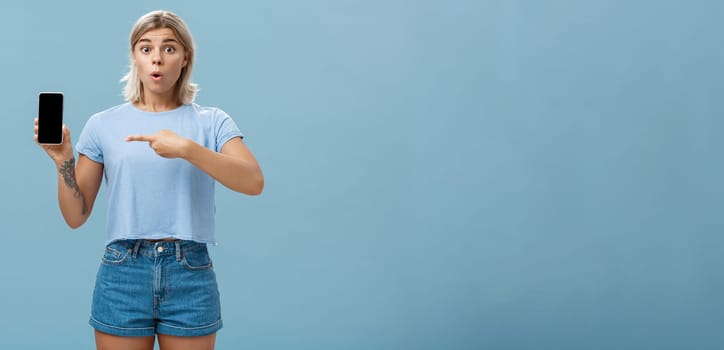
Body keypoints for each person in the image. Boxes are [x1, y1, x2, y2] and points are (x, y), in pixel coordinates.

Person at [33, 10, 263, 350]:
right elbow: (76, 216)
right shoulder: (103, 124)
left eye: (169, 49)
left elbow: (253, 181)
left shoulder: (212, 121)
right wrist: (63, 161)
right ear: (134, 57)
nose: (157, 58)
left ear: (185, 57)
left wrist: (187, 149)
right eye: (146, 48)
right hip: (123, 271)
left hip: (190, 270)